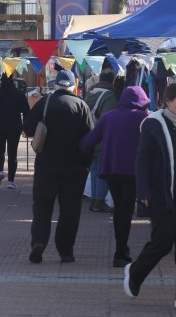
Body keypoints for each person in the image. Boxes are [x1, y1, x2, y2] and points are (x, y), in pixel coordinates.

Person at [23, 69, 94, 264]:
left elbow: (28, 129)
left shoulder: (44, 103)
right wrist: (85, 165)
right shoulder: (81, 105)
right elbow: (90, 140)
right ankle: (66, 251)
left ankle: (39, 242)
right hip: (74, 168)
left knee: (42, 207)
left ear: (56, 85)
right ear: (73, 86)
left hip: (46, 166)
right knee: (70, 211)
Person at [79, 86, 150, 267]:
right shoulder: (143, 118)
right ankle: (120, 252)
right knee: (124, 211)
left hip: (111, 171)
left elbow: (89, 141)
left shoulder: (108, 117)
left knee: (120, 208)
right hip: (132, 172)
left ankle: (121, 250)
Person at [124, 84, 176, 301]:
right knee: (162, 242)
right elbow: (142, 159)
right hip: (162, 194)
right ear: (169, 101)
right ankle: (135, 273)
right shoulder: (154, 123)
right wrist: (143, 190)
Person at [84, 68, 117, 212]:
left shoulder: (90, 93)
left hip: (89, 136)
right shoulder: (109, 96)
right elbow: (107, 119)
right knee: (103, 171)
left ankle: (94, 199)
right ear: (112, 81)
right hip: (103, 138)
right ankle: (99, 201)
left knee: (94, 169)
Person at [0, 72, 29, 189]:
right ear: (13, 80)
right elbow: (26, 111)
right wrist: (25, 127)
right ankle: (11, 181)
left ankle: (0, 171)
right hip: (14, 126)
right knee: (13, 154)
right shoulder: (19, 94)